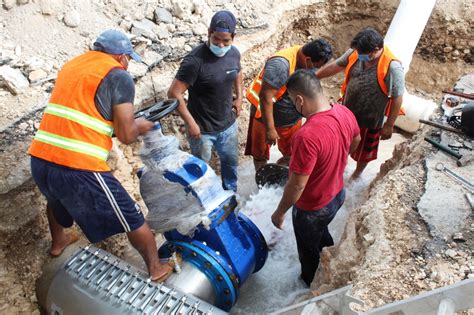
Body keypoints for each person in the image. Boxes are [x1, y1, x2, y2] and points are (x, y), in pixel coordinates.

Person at [28, 29, 173, 281]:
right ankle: (156, 268)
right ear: (122, 57)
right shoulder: (118, 76)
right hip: (78, 164)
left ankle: (59, 242)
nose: (127, 66)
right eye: (128, 61)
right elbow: (127, 135)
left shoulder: (73, 66)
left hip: (40, 157)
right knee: (132, 216)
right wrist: (141, 124)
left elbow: (87, 112)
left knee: (55, 198)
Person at [271, 69, 360, 286]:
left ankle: (310, 283)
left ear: (300, 99)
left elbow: (297, 186)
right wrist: (336, 161)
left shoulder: (306, 135)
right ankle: (328, 256)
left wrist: (280, 212)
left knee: (308, 252)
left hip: (312, 208)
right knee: (321, 236)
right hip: (337, 195)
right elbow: (356, 139)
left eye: (293, 101)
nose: (294, 105)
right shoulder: (344, 111)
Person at [168, 10, 242, 192]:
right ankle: (206, 201)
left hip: (228, 126)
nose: (221, 44)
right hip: (202, 131)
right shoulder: (195, 61)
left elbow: (237, 72)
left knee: (231, 165)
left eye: (226, 40)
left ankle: (231, 195)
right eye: (216, 39)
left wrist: (240, 97)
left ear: (233, 37)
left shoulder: (234, 54)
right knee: (201, 171)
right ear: (209, 32)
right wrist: (191, 123)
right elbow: (174, 93)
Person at [316, 27, 405, 179]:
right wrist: (315, 76)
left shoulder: (392, 67)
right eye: (358, 52)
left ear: (376, 49)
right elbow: (336, 65)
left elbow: (397, 97)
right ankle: (336, 167)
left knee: (364, 152)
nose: (360, 56)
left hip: (370, 118)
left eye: (364, 54)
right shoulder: (356, 52)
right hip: (346, 112)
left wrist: (389, 125)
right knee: (338, 144)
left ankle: (356, 175)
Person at [245, 39, 333, 171]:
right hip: (264, 117)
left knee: (293, 152)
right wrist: (270, 129)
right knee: (259, 152)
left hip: (291, 120)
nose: (316, 70)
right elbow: (265, 97)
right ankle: (261, 177)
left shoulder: (304, 58)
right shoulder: (280, 65)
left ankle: (285, 172)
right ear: (308, 60)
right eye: (316, 66)